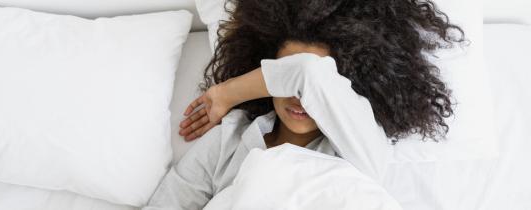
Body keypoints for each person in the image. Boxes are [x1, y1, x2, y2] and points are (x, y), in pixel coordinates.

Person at [143, 0, 464, 209]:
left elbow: (309, 73)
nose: (298, 97)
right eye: (284, 75)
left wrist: (227, 92)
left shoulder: (359, 143)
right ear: (267, 69)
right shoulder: (230, 137)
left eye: (300, 85)